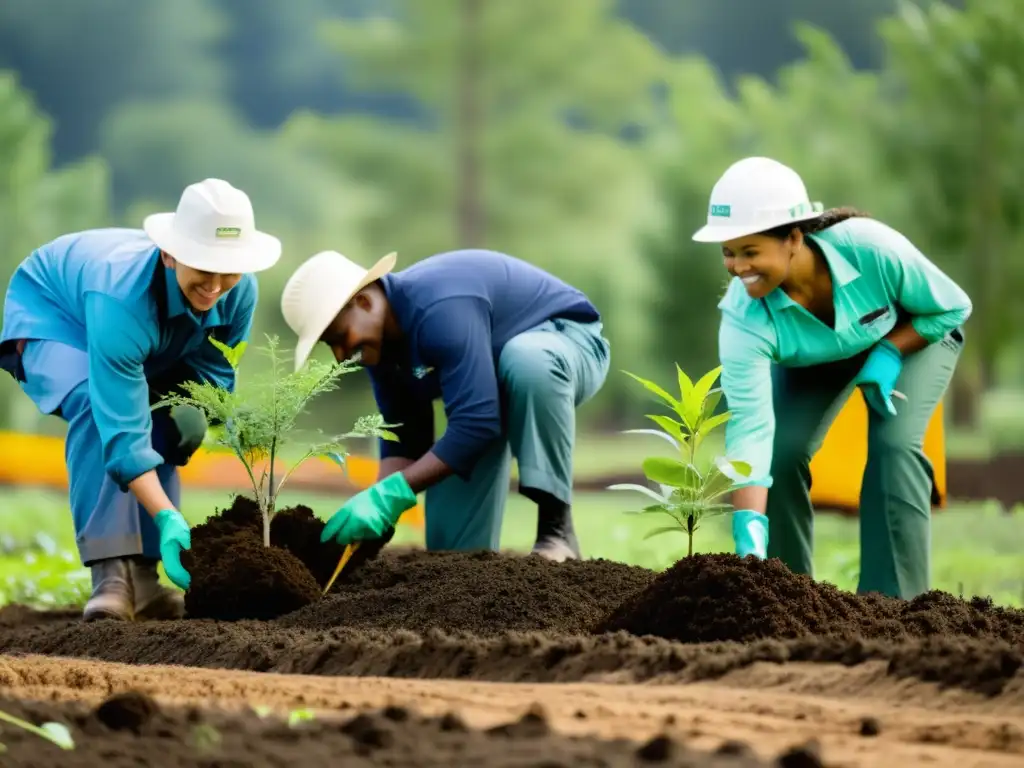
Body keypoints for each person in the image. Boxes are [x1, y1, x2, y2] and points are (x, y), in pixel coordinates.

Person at [0, 178, 281, 621]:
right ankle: (110, 574)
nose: (216, 284)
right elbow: (124, 432)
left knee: (176, 421)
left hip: (140, 336)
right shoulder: (121, 298)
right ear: (170, 255)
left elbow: (213, 378)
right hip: (56, 317)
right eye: (203, 266)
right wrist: (169, 516)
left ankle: (146, 578)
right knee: (97, 408)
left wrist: (198, 425)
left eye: (229, 269)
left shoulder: (237, 291)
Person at [692, 156, 971, 600]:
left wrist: (888, 350)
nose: (738, 266)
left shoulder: (871, 248)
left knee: (894, 446)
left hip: (912, 337)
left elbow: (952, 306)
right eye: (729, 251)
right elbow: (751, 430)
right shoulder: (743, 319)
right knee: (781, 453)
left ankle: (892, 606)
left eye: (750, 251)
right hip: (819, 360)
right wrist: (748, 534)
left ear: (793, 238)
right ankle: (782, 598)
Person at [280, 248, 611, 561]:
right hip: (490, 392)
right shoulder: (382, 352)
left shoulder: (438, 308)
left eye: (340, 337)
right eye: (330, 346)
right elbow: (405, 438)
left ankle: (557, 531)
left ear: (364, 302)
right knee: (452, 559)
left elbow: (477, 424)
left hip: (566, 343)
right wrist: (375, 513)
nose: (340, 356)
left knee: (526, 362)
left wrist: (390, 497)